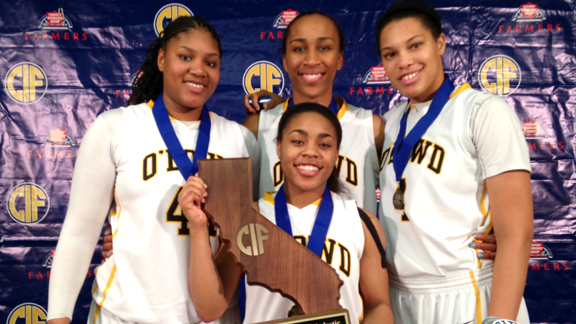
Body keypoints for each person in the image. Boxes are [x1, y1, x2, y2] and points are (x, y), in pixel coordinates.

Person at [46, 16, 258, 324]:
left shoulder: (240, 140)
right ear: (161, 59)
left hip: (214, 317)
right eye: (185, 57)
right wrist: (58, 317)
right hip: (125, 317)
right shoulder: (116, 127)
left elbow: (252, 234)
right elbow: (80, 232)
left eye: (210, 62)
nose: (198, 70)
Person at [375, 1, 533, 323]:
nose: (404, 61)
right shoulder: (387, 124)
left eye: (415, 45)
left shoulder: (482, 111)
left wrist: (501, 319)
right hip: (398, 297)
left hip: (467, 291)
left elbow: (516, 232)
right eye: (390, 54)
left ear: (440, 43)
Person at [180, 102, 394, 324]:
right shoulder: (249, 218)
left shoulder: (361, 222)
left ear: (337, 154)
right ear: (279, 148)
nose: (310, 152)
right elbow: (210, 308)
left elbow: (379, 304)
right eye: (298, 141)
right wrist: (198, 228)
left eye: (324, 144)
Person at [242, 10, 384, 215]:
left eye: (324, 47)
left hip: (354, 248)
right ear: (285, 60)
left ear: (340, 59)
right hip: (277, 247)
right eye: (299, 48)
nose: (311, 59)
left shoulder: (373, 128)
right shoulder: (258, 127)